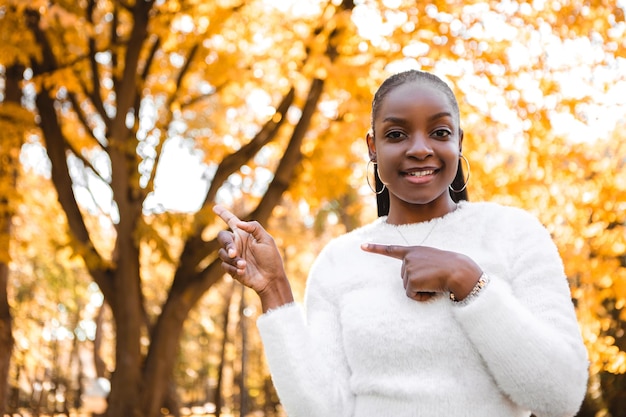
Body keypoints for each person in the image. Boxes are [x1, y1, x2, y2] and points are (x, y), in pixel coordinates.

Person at [213, 69, 589, 417]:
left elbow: (561, 397)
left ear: (459, 140)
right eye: (396, 135)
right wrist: (274, 290)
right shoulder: (338, 262)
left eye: (440, 133)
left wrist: (468, 282)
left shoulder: (515, 233)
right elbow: (323, 410)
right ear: (372, 147)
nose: (420, 148)